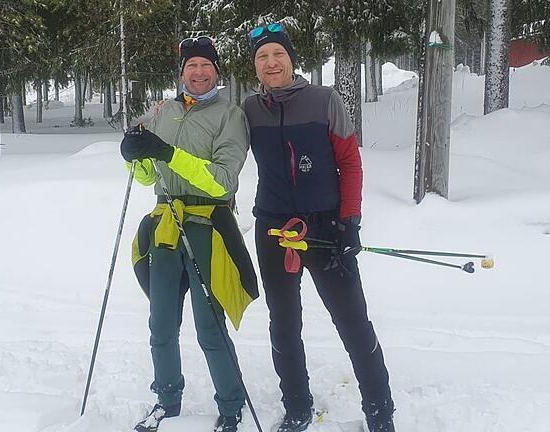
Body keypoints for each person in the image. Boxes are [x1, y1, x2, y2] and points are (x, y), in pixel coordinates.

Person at [241, 24, 395, 432]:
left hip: (325, 229)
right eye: (262, 57)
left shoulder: (324, 100)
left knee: (353, 322)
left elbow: (350, 162)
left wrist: (350, 222)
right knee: (284, 324)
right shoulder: (249, 110)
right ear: (255, 66)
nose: (271, 63)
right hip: (273, 231)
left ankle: (380, 412)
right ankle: (297, 408)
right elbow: (217, 152)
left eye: (278, 54)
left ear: (291, 59)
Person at [120, 36, 258, 432]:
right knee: (160, 324)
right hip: (165, 225)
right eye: (191, 66)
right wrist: (134, 156)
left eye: (206, 65)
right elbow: (150, 176)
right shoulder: (163, 111)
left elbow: (221, 182)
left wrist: (167, 153)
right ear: (181, 72)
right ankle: (166, 399)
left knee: (209, 327)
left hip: (207, 227)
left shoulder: (230, 116)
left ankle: (231, 404)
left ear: (217, 71)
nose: (198, 73)